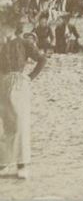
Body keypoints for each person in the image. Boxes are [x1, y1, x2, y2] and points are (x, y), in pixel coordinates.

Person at [0, 21, 47, 179]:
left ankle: (22, 163)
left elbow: (41, 60)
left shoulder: (24, 43)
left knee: (20, 121)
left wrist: (30, 77)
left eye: (5, 26)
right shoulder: (1, 45)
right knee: (7, 123)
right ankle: (4, 162)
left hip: (19, 83)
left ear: (13, 27)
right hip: (2, 84)